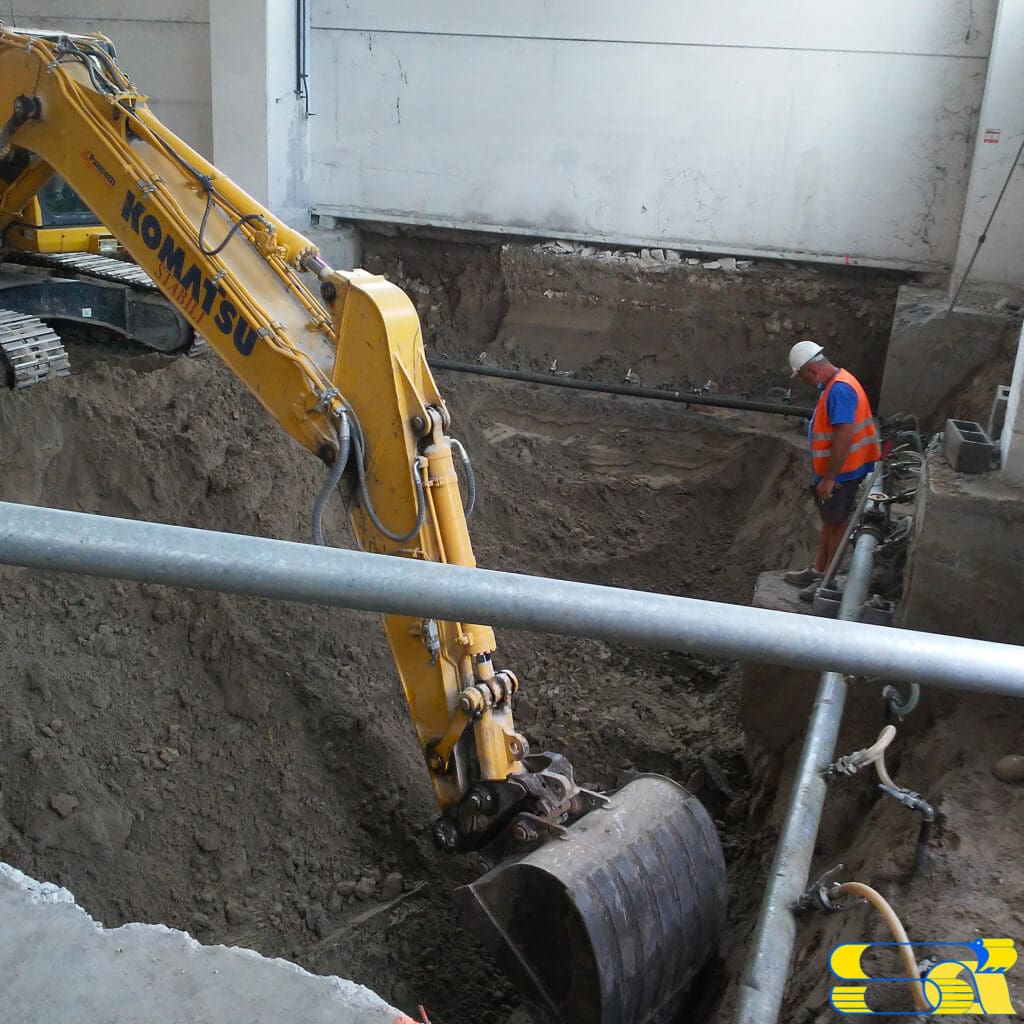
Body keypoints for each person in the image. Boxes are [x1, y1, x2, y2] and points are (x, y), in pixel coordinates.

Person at [783, 341, 881, 601]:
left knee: (837, 525)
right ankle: (818, 571)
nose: (803, 382)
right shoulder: (837, 384)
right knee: (829, 522)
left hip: (843, 475)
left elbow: (845, 435)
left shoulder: (840, 390)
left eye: (802, 376)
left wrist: (829, 478)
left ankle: (827, 583)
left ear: (812, 370)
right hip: (841, 473)